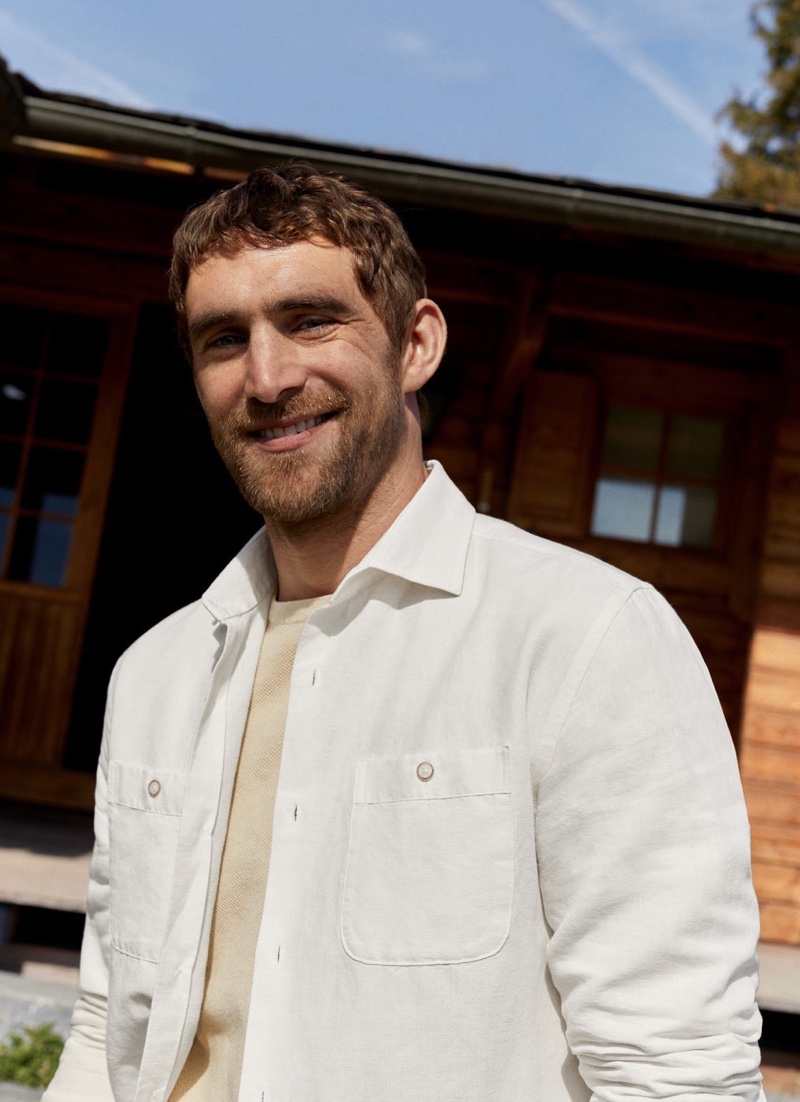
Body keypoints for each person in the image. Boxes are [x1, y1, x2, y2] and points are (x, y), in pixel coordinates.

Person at [45, 163, 765, 1102]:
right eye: (225, 339)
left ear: (417, 344)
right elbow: (110, 1032)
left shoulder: (584, 639)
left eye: (310, 320)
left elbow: (676, 1071)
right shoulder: (154, 674)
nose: (267, 376)